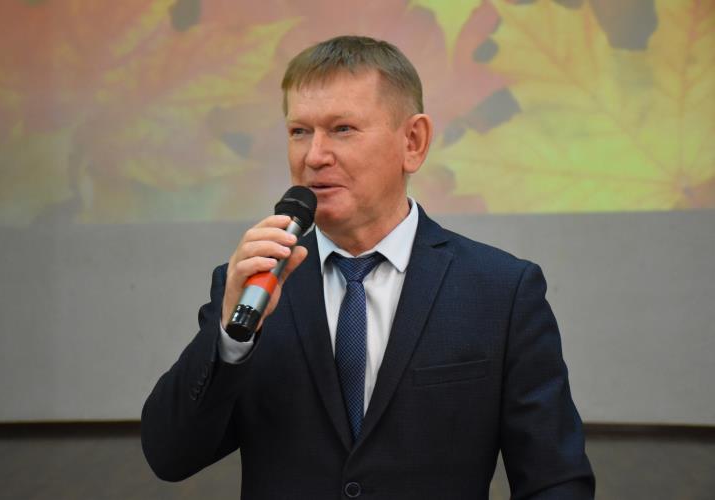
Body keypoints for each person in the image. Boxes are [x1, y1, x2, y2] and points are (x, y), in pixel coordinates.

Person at [141, 35, 595, 499]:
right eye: (299, 131)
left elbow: (554, 479)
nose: (314, 155)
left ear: (413, 142)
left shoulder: (500, 291)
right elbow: (170, 455)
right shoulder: (253, 286)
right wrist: (231, 338)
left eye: (342, 129)